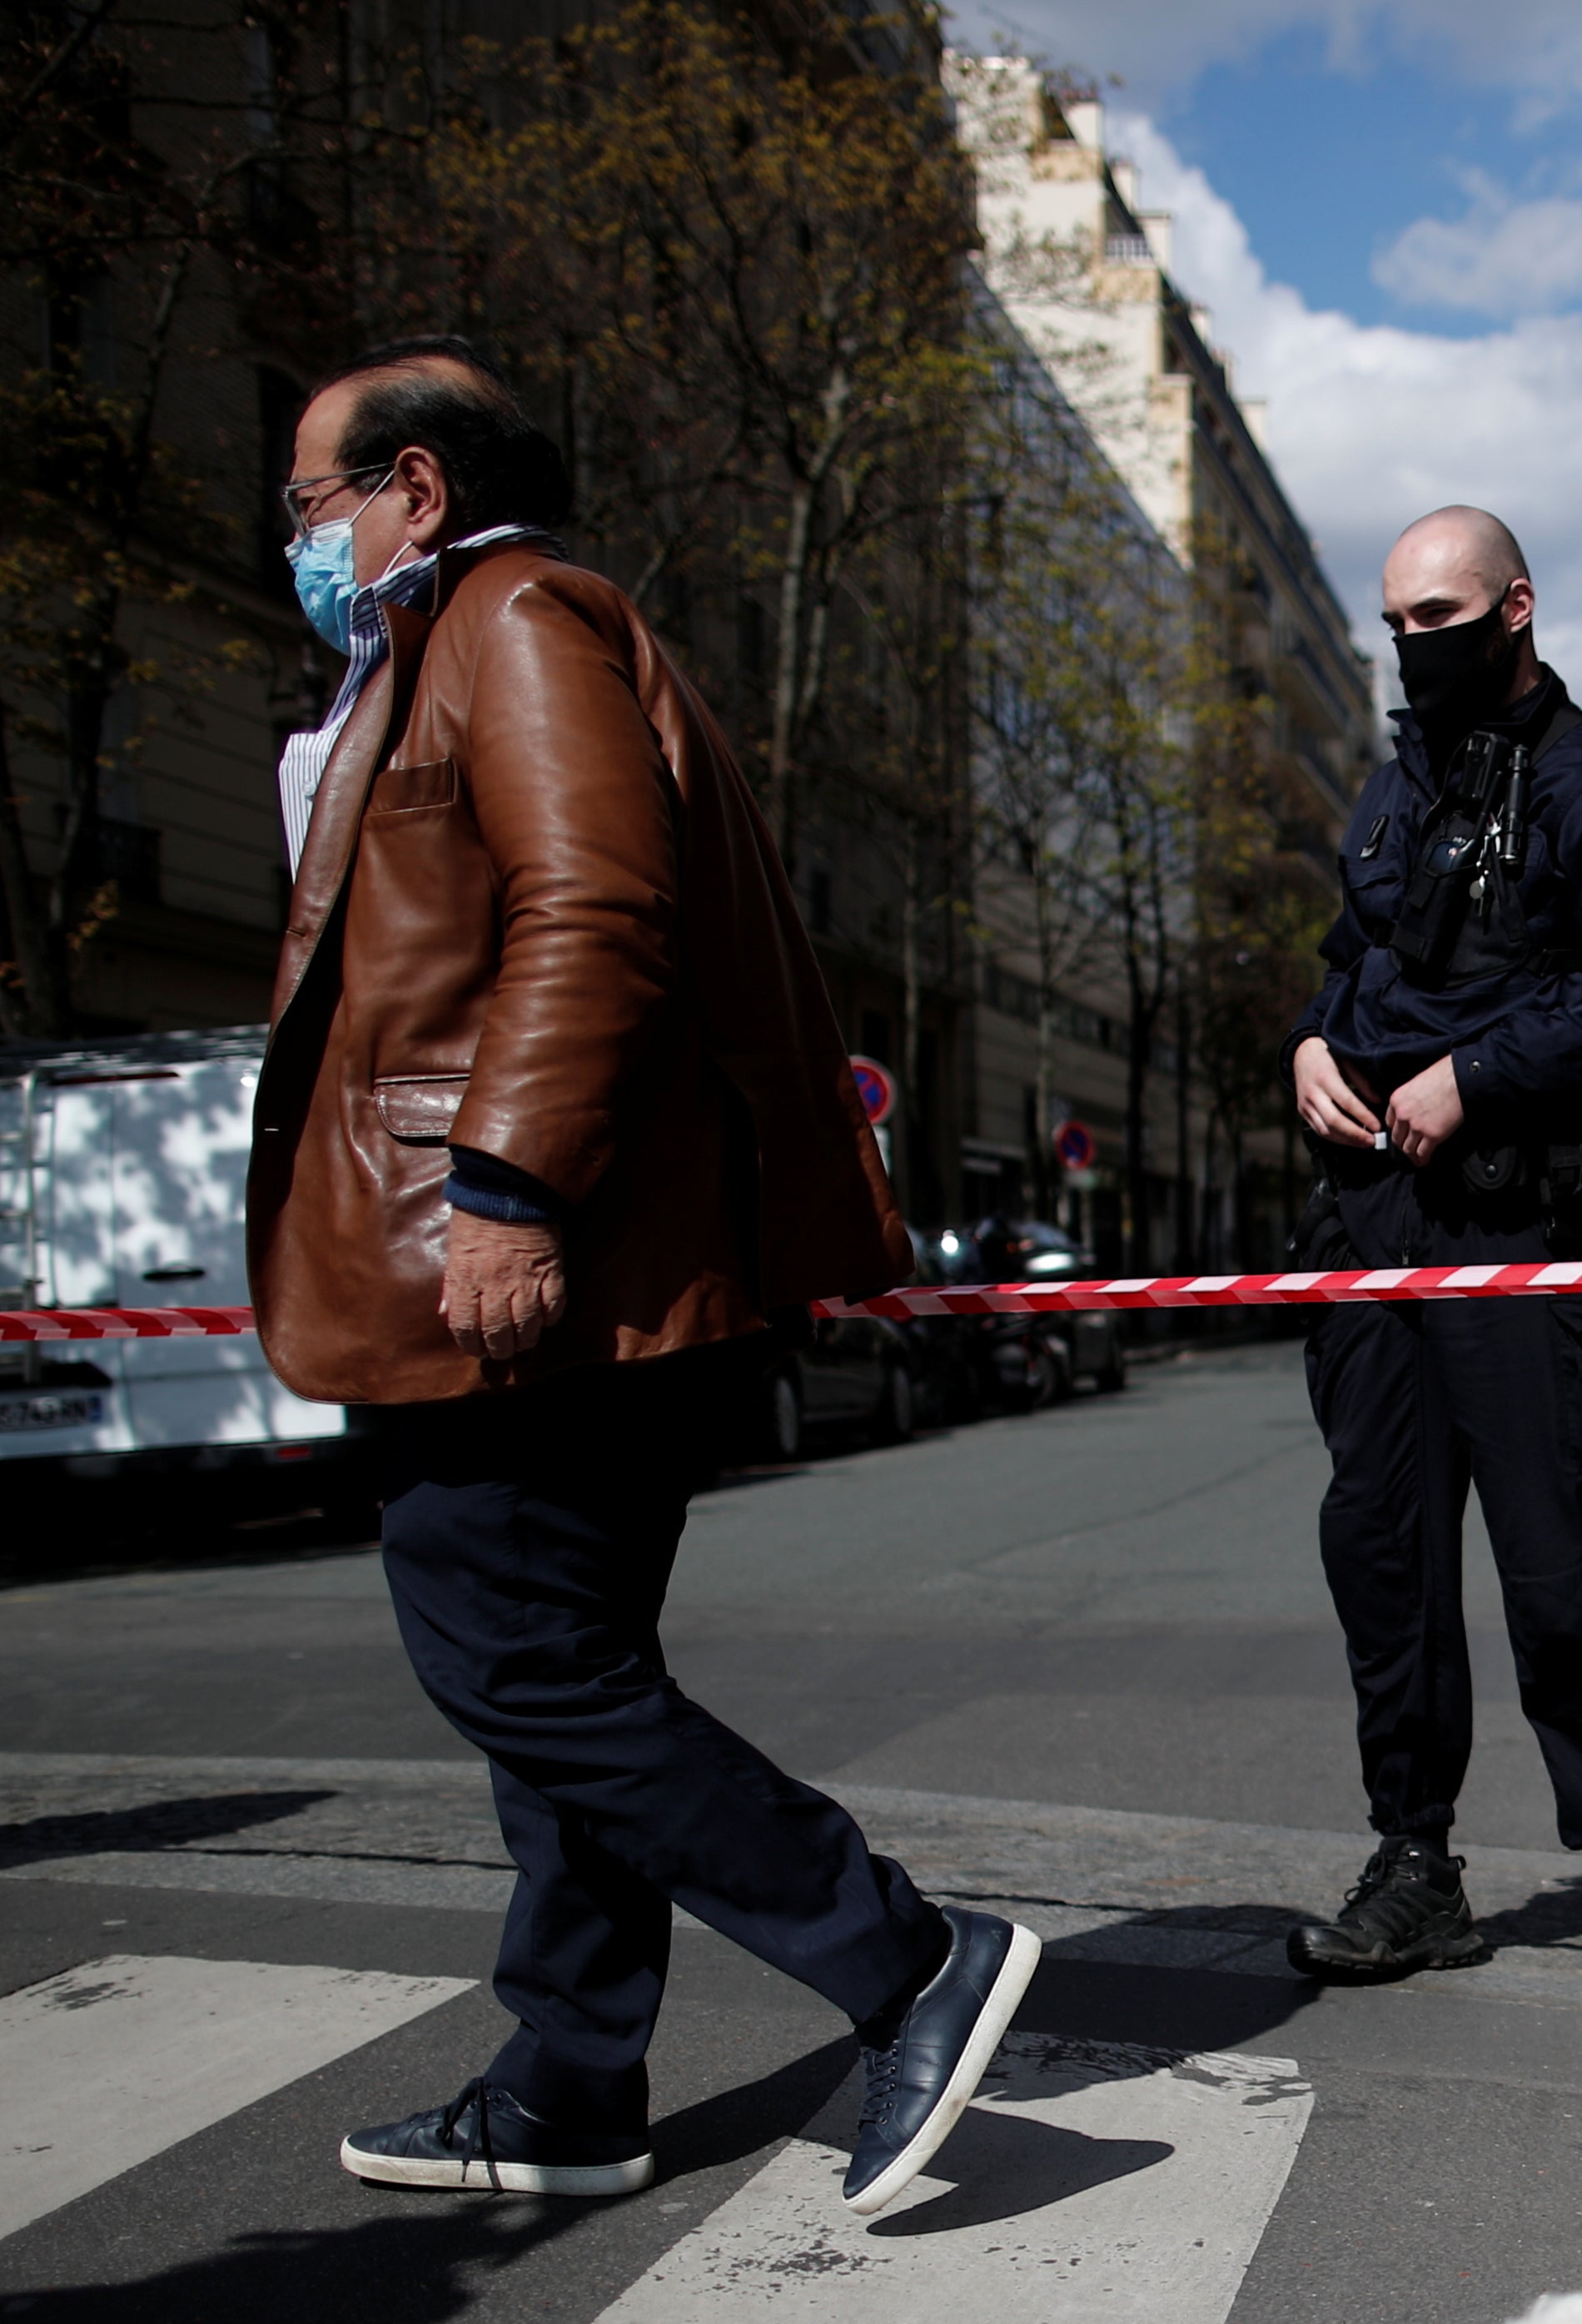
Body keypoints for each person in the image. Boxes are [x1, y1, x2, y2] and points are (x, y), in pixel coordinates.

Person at [255, 340, 1036, 2215]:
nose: (297, 538)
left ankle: (904, 1959)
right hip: (583, 1257)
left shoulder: (511, 619)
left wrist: (506, 1188)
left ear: (415, 488)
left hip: (537, 1264)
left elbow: (595, 903)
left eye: (311, 504)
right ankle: (574, 2078)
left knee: (516, 1662)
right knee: (568, 1678)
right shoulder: (470, 638)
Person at [1282, 507, 1582, 2024]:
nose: (1414, 644)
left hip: (1523, 1230)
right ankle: (1416, 1867)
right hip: (1375, 1232)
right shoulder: (1394, 786)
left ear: (1516, 606)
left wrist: (1482, 1073)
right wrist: (1309, 1043)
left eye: (1441, 616)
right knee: (1383, 1565)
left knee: (1563, 1566)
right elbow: (1355, 957)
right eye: (1395, 619)